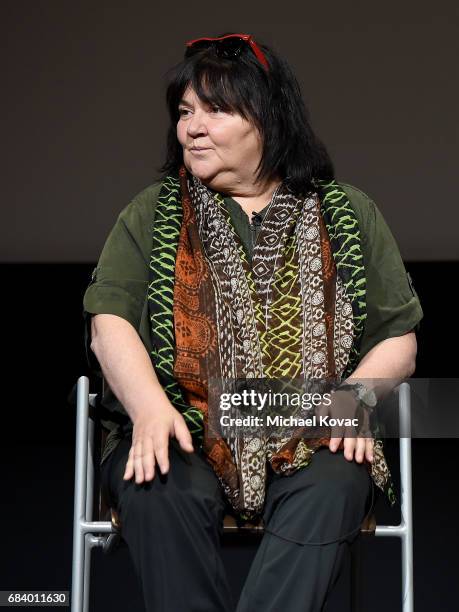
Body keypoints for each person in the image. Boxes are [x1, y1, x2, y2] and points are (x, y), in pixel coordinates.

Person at [82, 33, 423, 612]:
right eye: (186, 111)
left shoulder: (347, 212)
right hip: (184, 420)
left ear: (269, 120)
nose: (192, 127)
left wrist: (352, 400)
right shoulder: (154, 212)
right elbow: (108, 321)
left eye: (216, 110)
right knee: (156, 477)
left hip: (311, 424)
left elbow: (399, 338)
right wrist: (147, 408)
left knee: (338, 474)